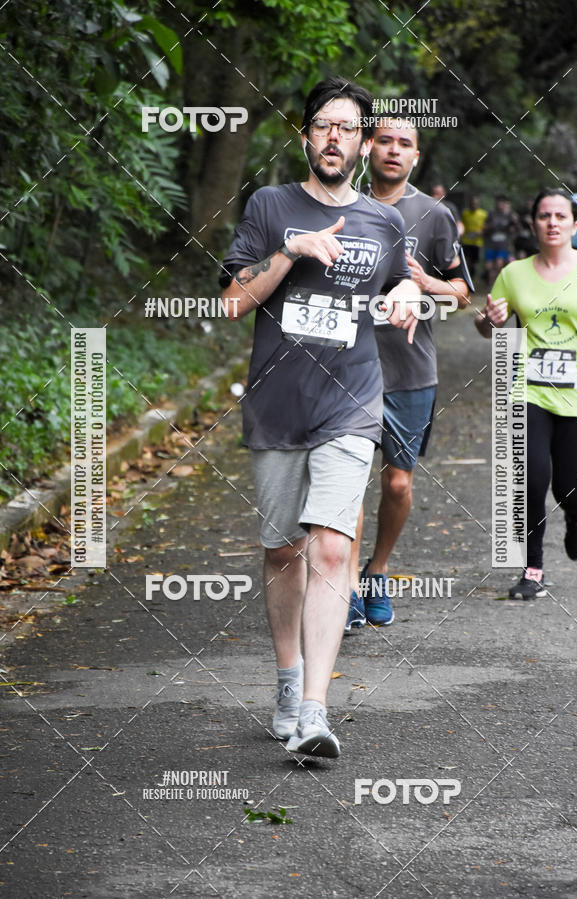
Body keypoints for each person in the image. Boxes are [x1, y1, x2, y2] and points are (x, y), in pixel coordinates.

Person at [220, 77, 420, 757]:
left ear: (364, 143)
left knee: (332, 544)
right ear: (305, 135)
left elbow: (399, 281)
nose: (334, 138)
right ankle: (286, 681)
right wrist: (291, 253)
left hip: (351, 400)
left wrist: (405, 298)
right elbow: (232, 301)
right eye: (322, 126)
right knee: (284, 551)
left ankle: (314, 711)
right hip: (278, 403)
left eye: (347, 128)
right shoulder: (270, 205)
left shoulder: (384, 221)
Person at [346, 116, 471, 630]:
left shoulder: (434, 215)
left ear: (416, 157)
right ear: (368, 147)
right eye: (385, 141)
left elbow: (463, 293)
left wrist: (425, 283)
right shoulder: (342, 207)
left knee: (397, 484)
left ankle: (377, 570)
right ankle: (348, 586)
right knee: (348, 481)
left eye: (406, 144)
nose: (394, 151)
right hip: (347, 368)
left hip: (411, 371)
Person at [476, 188, 577, 599]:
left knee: (570, 487)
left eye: (560, 216)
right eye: (544, 216)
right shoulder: (514, 273)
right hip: (526, 390)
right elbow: (486, 325)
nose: (552, 222)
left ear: (574, 225)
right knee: (530, 478)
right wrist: (490, 321)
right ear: (533, 224)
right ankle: (532, 569)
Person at [483, 195, 519, 286]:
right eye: (499, 202)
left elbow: (517, 228)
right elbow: (484, 228)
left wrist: (514, 224)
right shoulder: (492, 214)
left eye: (503, 203)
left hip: (503, 245)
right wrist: (490, 226)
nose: (501, 204)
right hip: (491, 244)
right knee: (489, 267)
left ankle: (498, 285)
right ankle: (490, 286)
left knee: (499, 264)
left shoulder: (510, 215)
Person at [461, 195, 488, 277]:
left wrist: (482, 231)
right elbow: (461, 224)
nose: (474, 205)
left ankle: (473, 276)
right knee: (466, 260)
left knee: (474, 262)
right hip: (466, 241)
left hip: (477, 242)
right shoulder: (465, 213)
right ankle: (466, 276)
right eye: (472, 204)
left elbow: (487, 225)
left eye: (476, 204)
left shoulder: (483, 214)